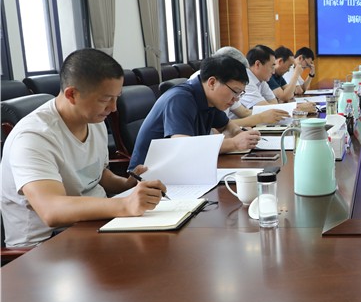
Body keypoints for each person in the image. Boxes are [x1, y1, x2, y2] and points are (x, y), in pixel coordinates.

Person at [1, 48, 167, 247]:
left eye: (117, 97)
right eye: (105, 99)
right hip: (46, 245)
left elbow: (96, 174)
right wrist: (125, 204)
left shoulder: (94, 120)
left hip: (94, 225)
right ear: (72, 94)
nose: (113, 108)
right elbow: (52, 210)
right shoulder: (33, 137)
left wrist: (127, 185)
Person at [129, 54, 262, 168]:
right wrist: (234, 143)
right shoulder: (180, 98)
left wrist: (239, 133)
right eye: (235, 91)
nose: (236, 99)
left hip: (183, 166)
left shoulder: (211, 100)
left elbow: (226, 125)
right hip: (150, 174)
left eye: (240, 93)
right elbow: (184, 146)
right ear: (212, 83)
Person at [214, 45, 289, 127]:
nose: (237, 98)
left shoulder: (230, 90)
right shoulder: (238, 84)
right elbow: (219, 126)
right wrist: (261, 118)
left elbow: (243, 113)